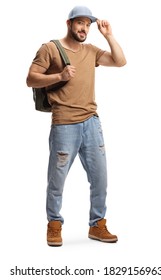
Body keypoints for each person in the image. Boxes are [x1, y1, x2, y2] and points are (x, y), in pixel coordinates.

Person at [26, 5, 126, 246]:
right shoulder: (50, 49)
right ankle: (54, 224)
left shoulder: (90, 51)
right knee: (57, 180)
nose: (84, 28)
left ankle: (97, 225)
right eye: (80, 23)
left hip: (92, 122)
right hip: (64, 125)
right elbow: (30, 78)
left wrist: (108, 35)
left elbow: (120, 61)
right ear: (69, 23)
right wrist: (59, 76)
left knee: (100, 178)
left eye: (88, 24)